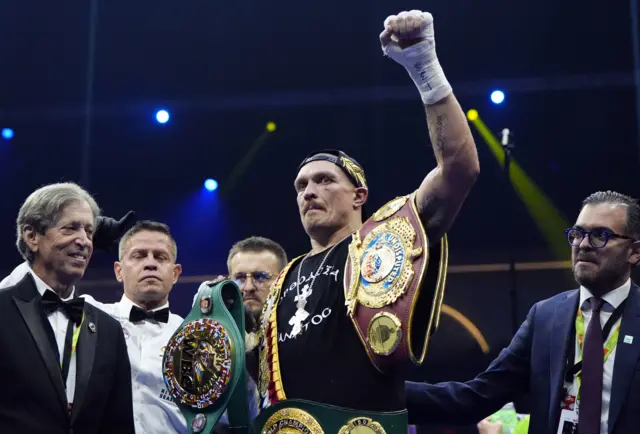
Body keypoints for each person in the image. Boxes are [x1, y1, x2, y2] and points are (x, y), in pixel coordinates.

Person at [254, 8, 480, 430]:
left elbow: (459, 169)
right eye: (301, 186)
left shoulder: (386, 240)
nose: (309, 192)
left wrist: (423, 65)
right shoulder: (281, 280)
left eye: (323, 180)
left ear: (359, 195)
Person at [406, 191, 640, 434]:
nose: (582, 245)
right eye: (578, 234)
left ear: (634, 252)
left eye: (600, 235)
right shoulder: (546, 317)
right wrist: (383, 390)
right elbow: (475, 398)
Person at [0, 182, 134, 433]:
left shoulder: (109, 330)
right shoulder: (3, 309)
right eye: (71, 228)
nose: (84, 240)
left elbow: (119, 425)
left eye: (89, 231)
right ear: (31, 236)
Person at [79, 220, 187, 434]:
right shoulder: (89, 313)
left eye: (160, 257)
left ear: (175, 273)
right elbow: (20, 299)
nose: (150, 264)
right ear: (118, 271)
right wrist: (83, 242)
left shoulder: (193, 335)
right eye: (139, 256)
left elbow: (232, 411)